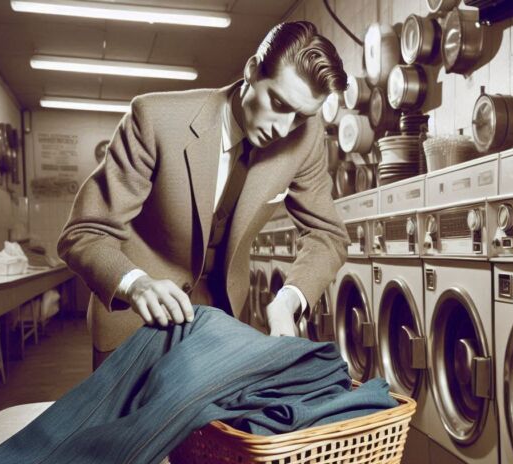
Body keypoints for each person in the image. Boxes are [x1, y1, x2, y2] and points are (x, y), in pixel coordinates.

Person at [57, 21, 350, 370]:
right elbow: (85, 233)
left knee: (217, 427)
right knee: (130, 427)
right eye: (278, 103)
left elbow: (327, 235)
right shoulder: (155, 118)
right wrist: (136, 285)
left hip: (223, 325)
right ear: (253, 70)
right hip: (134, 325)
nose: (284, 129)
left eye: (301, 117)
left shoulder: (305, 137)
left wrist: (289, 299)